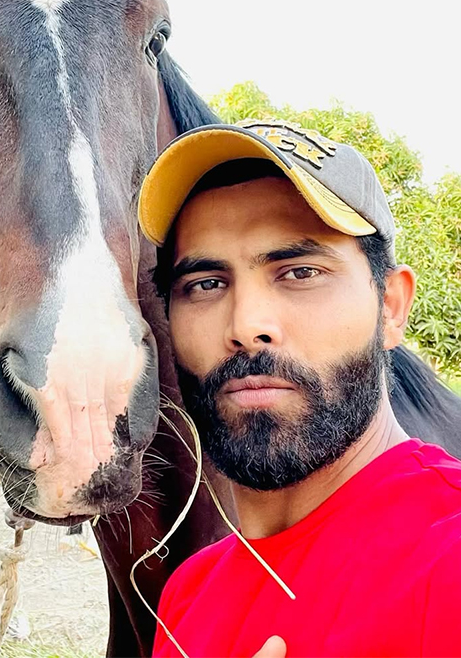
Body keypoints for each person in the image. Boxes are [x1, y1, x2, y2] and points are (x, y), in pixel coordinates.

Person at [137, 119, 461, 658]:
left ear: (391, 307)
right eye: (205, 284)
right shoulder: (187, 595)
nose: (246, 324)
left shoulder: (447, 555)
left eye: (299, 272)